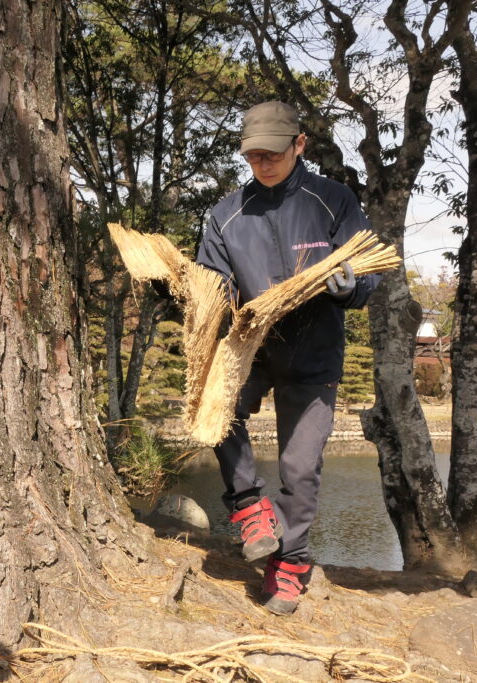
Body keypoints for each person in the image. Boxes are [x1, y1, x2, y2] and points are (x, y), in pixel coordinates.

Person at [196, 101, 379, 615]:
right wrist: (198, 298)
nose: (263, 164)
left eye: (272, 154)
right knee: (215, 410)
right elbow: (215, 286)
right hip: (253, 349)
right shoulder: (225, 215)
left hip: (315, 353)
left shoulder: (333, 200)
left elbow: (369, 273)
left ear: (299, 146)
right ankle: (250, 507)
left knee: (301, 468)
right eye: (252, 156)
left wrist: (351, 287)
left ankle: (290, 563)